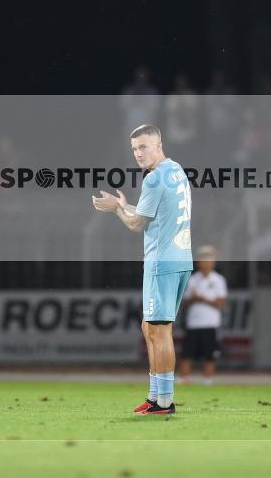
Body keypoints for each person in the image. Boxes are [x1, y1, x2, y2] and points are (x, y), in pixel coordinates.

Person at [92, 124, 193, 415]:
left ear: (159, 144)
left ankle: (165, 401)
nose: (138, 153)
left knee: (160, 331)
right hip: (180, 258)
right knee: (150, 327)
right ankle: (155, 396)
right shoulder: (176, 170)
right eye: (134, 148)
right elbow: (156, 213)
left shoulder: (153, 178)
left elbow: (137, 225)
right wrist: (128, 205)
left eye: (144, 146)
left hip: (162, 261)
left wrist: (116, 209)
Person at [179, 245, 227, 385]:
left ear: (213, 262)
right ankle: (184, 379)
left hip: (210, 323)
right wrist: (195, 298)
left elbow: (220, 302)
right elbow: (185, 302)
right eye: (202, 259)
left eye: (209, 259)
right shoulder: (192, 279)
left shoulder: (218, 280)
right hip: (193, 323)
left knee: (210, 354)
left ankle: (207, 380)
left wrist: (202, 298)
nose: (205, 262)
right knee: (187, 353)